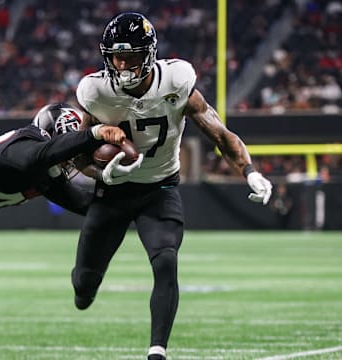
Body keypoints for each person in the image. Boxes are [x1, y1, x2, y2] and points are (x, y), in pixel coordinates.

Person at [72, 12, 273, 360]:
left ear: (149, 53)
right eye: (116, 56)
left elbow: (220, 134)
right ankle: (86, 289)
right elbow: (76, 154)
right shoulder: (95, 91)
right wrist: (102, 174)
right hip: (112, 194)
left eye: (131, 55)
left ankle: (157, 351)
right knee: (83, 285)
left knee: (165, 261)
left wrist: (249, 171)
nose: (122, 64)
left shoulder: (176, 80)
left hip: (159, 189)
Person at [0, 102, 138, 217]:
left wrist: (131, 198)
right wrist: (94, 133)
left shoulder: (45, 173)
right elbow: (33, 158)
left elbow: (83, 204)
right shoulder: (23, 141)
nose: (69, 162)